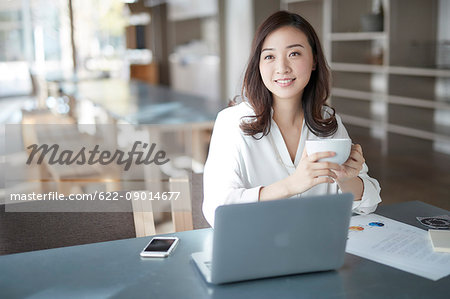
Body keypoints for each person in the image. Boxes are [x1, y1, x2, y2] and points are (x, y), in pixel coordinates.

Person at [202, 11, 381, 227]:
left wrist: (347, 178)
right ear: (258, 65)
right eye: (269, 56)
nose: (282, 68)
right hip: (256, 248)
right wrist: (292, 185)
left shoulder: (327, 123)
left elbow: (369, 203)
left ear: (314, 60)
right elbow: (217, 210)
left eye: (294, 54)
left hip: (319, 249)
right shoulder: (231, 122)